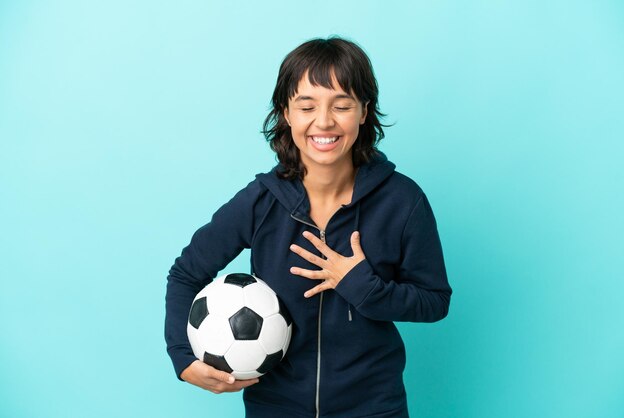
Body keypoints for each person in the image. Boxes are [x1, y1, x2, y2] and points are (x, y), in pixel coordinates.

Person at [165, 36, 452, 418]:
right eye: (307, 105)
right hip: (276, 407)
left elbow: (434, 301)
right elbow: (186, 273)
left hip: (373, 407)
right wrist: (184, 360)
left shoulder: (403, 201)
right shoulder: (260, 201)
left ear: (364, 112)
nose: (324, 121)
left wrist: (361, 286)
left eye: (342, 105)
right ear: (286, 112)